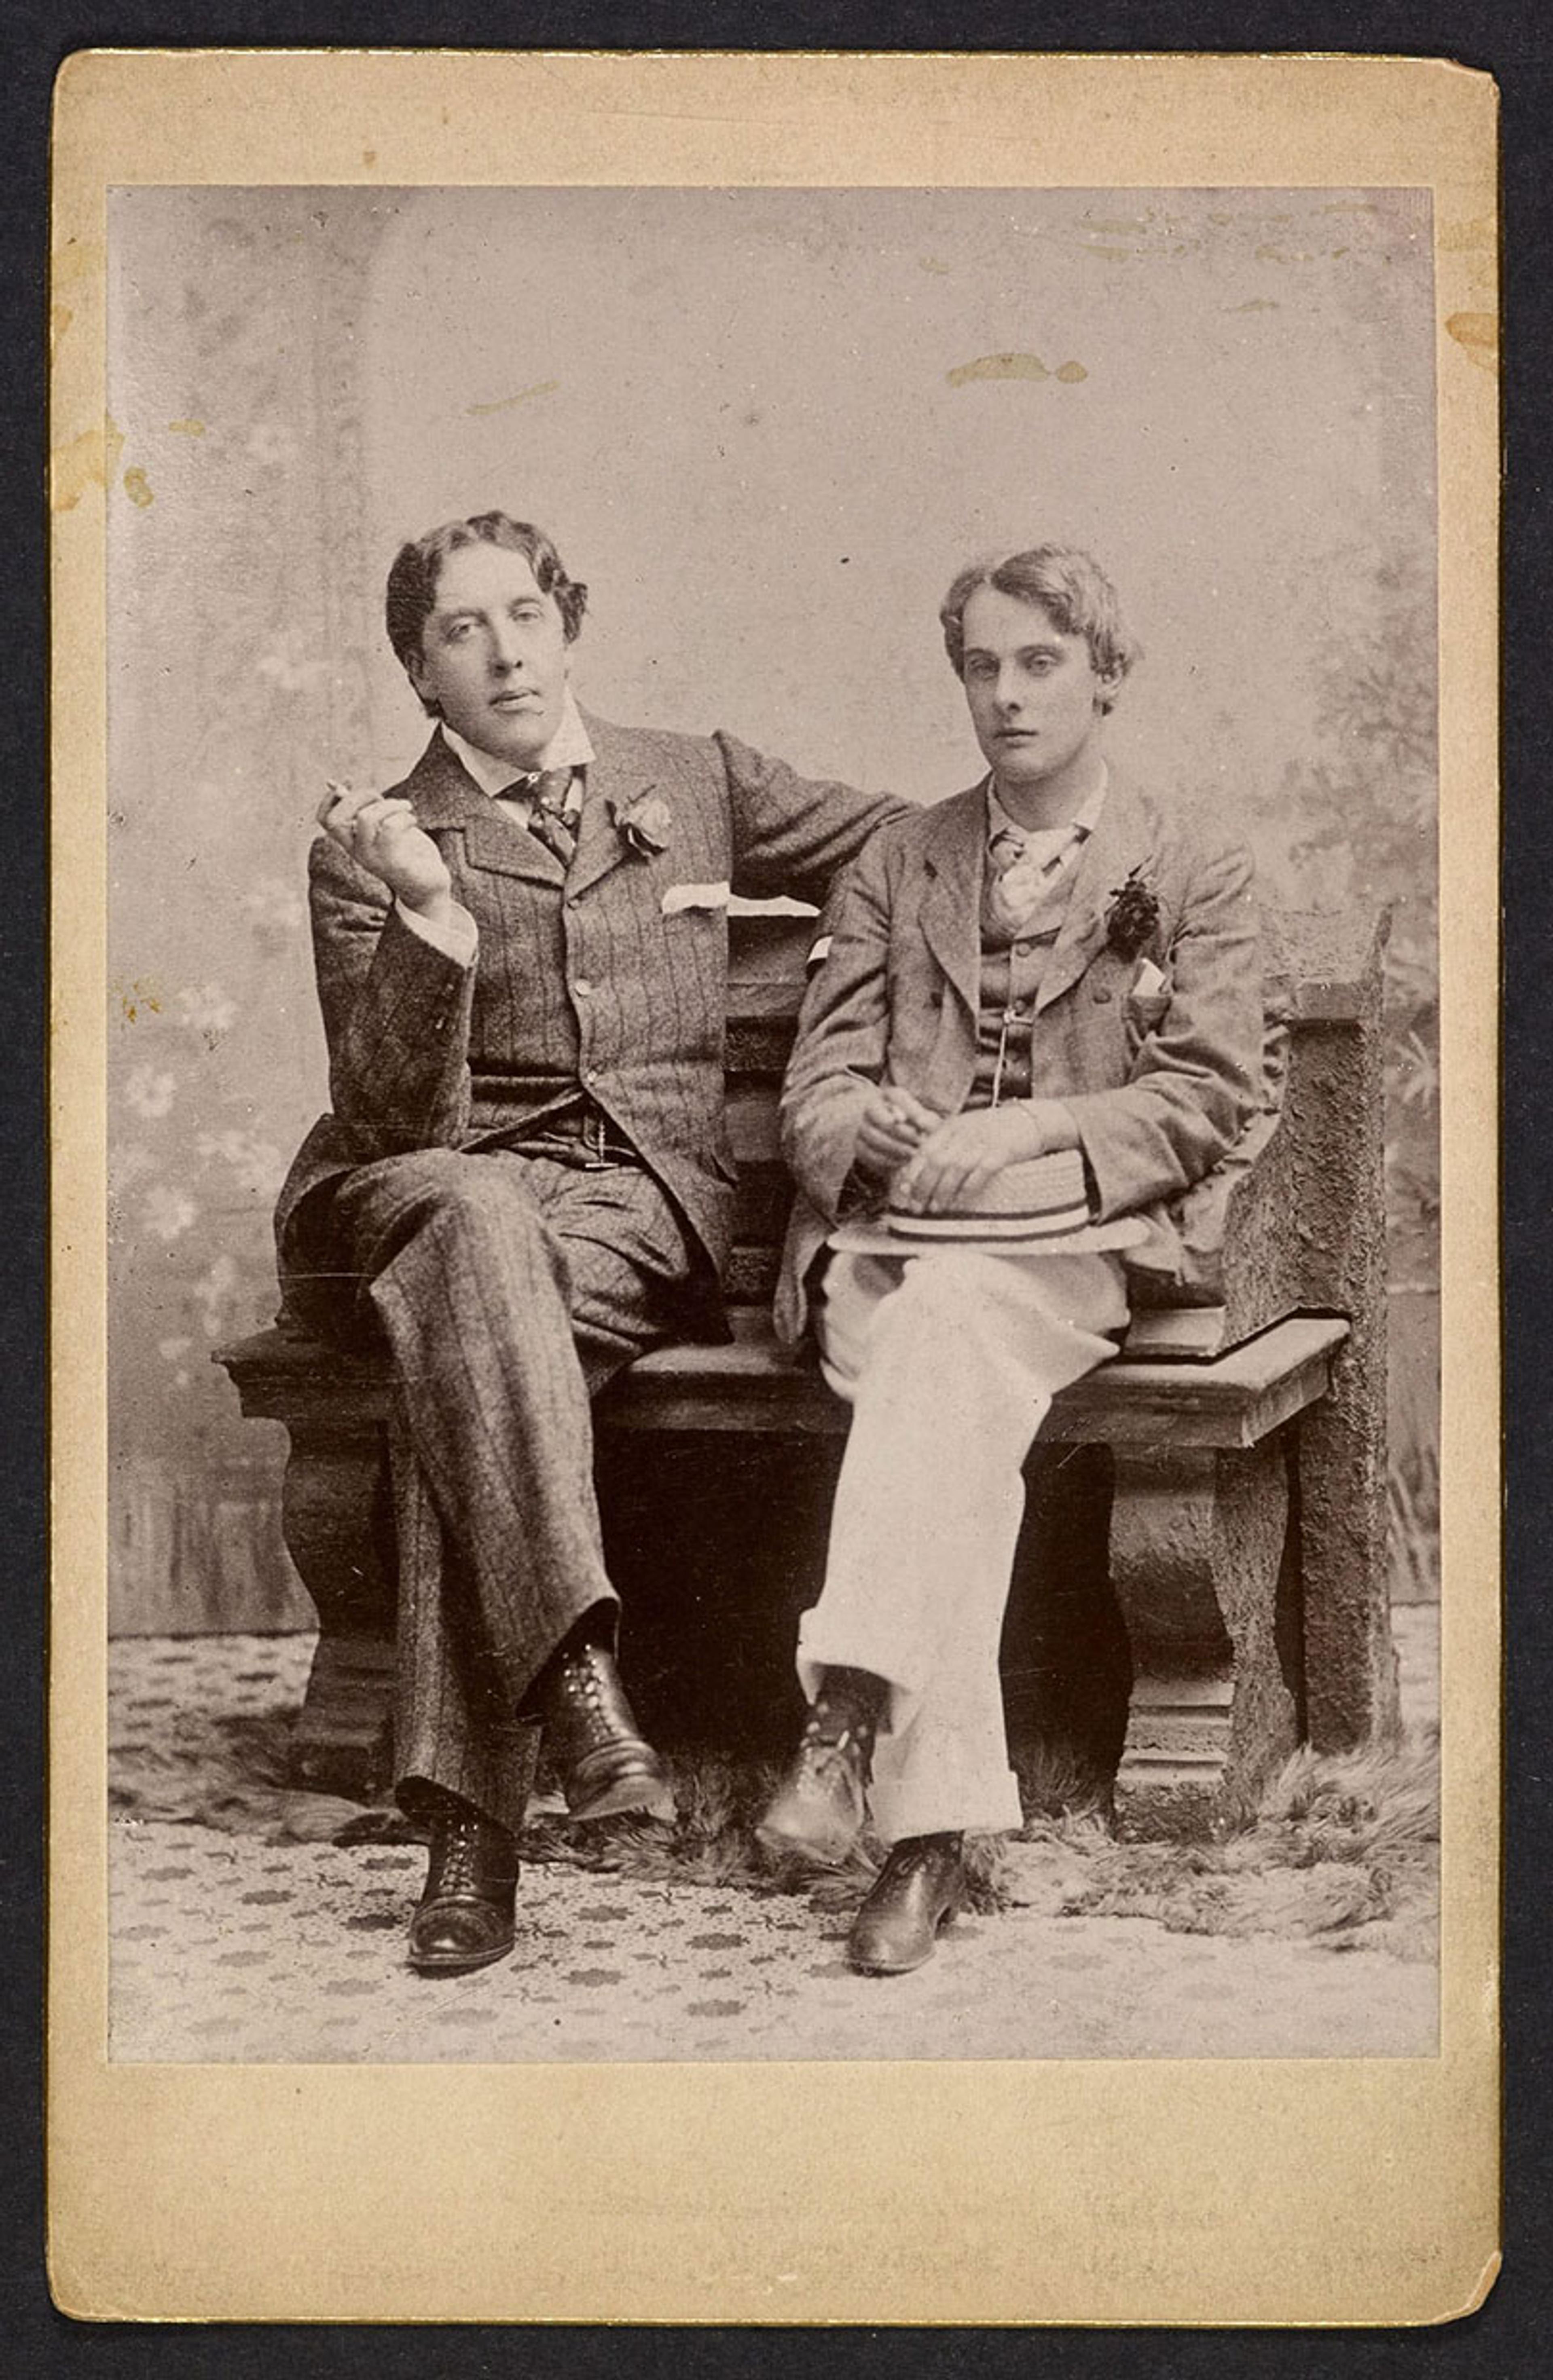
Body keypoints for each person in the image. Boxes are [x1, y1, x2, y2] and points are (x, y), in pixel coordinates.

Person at [276, 510, 902, 1975]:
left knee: (476, 1358)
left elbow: (911, 849)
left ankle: (473, 1834)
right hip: (411, 1190)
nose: (504, 652)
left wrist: (881, 974)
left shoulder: (695, 776)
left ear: (568, 621)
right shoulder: (373, 843)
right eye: (460, 631)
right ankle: (567, 1683)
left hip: (634, 1203)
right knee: (475, 1235)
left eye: (525, 615)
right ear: (421, 676)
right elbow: (381, 1118)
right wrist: (432, 916)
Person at [757, 544, 1266, 1974]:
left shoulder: (1191, 861)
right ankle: (922, 1832)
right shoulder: (897, 859)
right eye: (981, 665)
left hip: (1069, 1250)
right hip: (885, 1253)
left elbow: (1210, 1097)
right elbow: (817, 1086)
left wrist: (1037, 1125)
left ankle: (857, 1718)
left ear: (1107, 676)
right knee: (948, 1372)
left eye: (1039, 662)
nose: (1006, 694)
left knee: (964, 1336)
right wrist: (875, 1123)